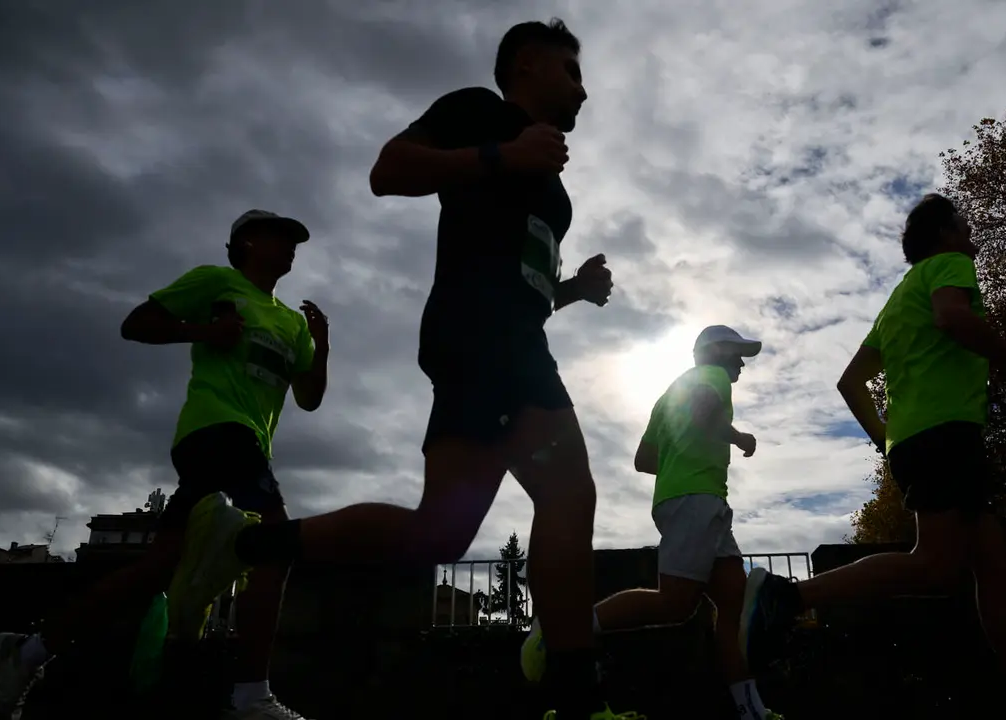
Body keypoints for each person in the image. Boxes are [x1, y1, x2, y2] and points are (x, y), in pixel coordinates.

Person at [130, 18, 634, 720]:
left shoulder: (547, 175)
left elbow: (521, 278)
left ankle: (247, 541)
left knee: (440, 534)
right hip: (484, 337)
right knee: (568, 494)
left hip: (504, 336)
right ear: (525, 66)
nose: (583, 89)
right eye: (570, 71)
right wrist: (500, 153)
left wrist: (571, 289)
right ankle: (578, 699)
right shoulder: (477, 113)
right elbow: (386, 172)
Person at [0, 209, 330, 720]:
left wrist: (321, 347)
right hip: (214, 428)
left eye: (293, 240)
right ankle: (251, 693)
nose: (290, 246)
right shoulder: (218, 282)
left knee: (156, 568)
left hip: (246, 443)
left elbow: (309, 397)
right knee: (277, 543)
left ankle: (29, 650)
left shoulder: (291, 322)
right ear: (245, 244)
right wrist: (204, 332)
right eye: (277, 236)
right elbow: (136, 324)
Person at [738, 194, 1006, 716]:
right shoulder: (949, 266)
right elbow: (954, 318)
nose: (970, 230)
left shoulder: (896, 300)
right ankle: (790, 597)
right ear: (945, 233)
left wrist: (882, 435)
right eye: (964, 223)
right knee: (936, 566)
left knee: (991, 565)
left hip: (922, 440)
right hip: (946, 435)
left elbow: (850, 381)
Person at [521, 324, 782, 720]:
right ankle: (560, 629)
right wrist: (729, 437)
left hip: (689, 500)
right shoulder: (712, 378)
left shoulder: (667, 396)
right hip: (697, 501)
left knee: (732, 604)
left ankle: (751, 712)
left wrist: (704, 449)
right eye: (736, 353)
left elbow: (644, 459)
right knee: (675, 604)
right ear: (714, 352)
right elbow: (703, 407)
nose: (741, 363)